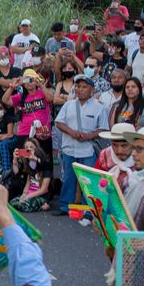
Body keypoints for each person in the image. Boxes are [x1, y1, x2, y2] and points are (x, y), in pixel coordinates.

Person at [52, 74, 109, 215]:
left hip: (88, 149)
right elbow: (59, 122)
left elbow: (103, 128)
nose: (80, 89)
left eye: (84, 87)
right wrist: (71, 132)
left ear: (91, 90)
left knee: (88, 180)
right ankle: (65, 206)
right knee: (68, 178)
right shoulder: (68, 105)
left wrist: (89, 135)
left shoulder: (99, 108)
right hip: (69, 147)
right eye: (78, 86)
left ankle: (90, 210)